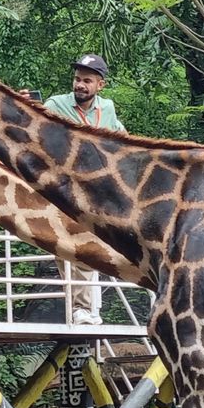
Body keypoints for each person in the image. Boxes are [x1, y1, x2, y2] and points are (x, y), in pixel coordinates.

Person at [24, 53, 126, 325]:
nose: (80, 85)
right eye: (77, 79)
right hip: (66, 189)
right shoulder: (57, 104)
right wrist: (26, 106)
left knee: (90, 247)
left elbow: (123, 140)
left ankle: (89, 308)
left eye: (87, 81)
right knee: (73, 244)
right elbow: (36, 124)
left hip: (99, 193)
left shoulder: (108, 109)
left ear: (100, 85)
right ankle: (83, 308)